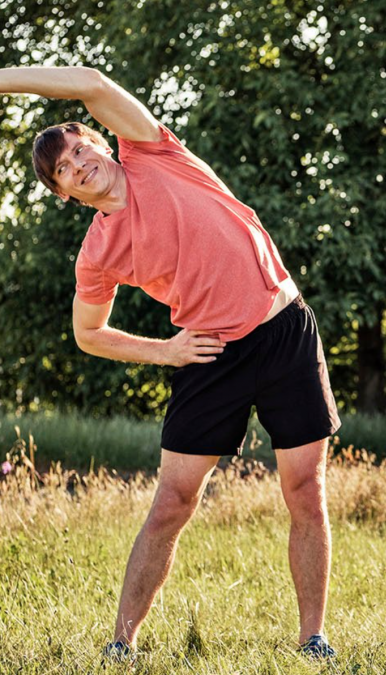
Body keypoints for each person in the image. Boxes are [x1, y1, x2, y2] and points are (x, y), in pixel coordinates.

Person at [0, 66, 341, 659]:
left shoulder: (154, 151)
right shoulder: (97, 254)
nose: (79, 163)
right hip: (208, 355)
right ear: (64, 193)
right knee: (172, 503)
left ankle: (313, 638)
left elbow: (91, 82)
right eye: (64, 168)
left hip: (285, 331)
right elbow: (89, 334)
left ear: (102, 144)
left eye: (81, 149)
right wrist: (165, 352)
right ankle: (121, 645)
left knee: (305, 490)